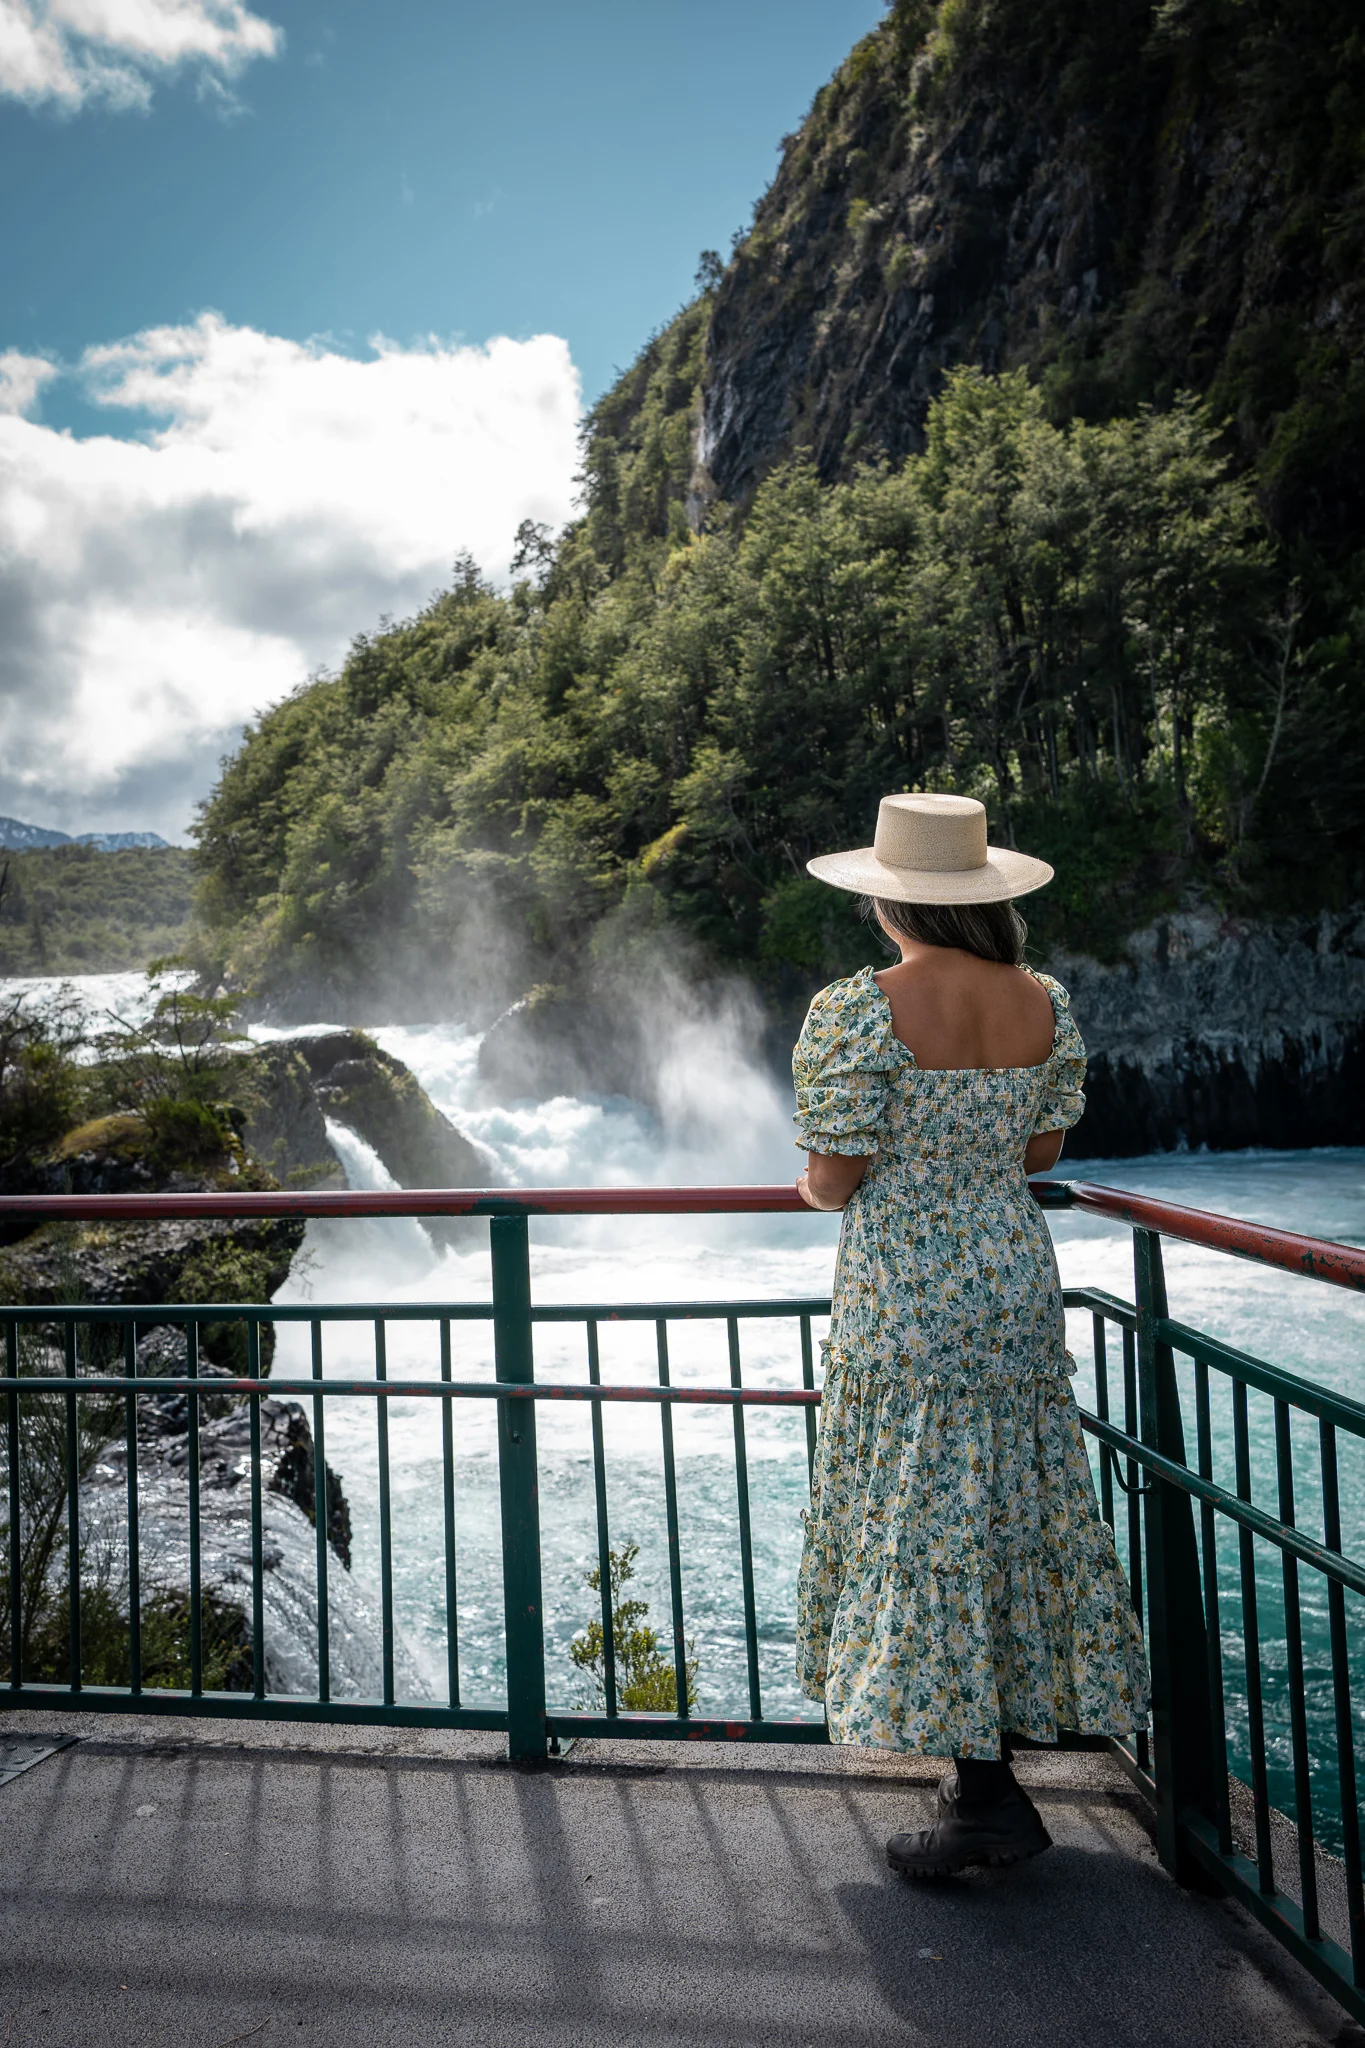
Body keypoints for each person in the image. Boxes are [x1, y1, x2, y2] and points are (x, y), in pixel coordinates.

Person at [793, 791, 1150, 1878]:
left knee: (922, 1521)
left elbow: (834, 1173)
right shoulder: (1042, 1000)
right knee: (1006, 1510)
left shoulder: (856, 1009)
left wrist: (820, 1185)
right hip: (1010, 1283)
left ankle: (986, 1795)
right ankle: (992, 1771)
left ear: (889, 895)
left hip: (906, 1298)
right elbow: (1040, 1151)